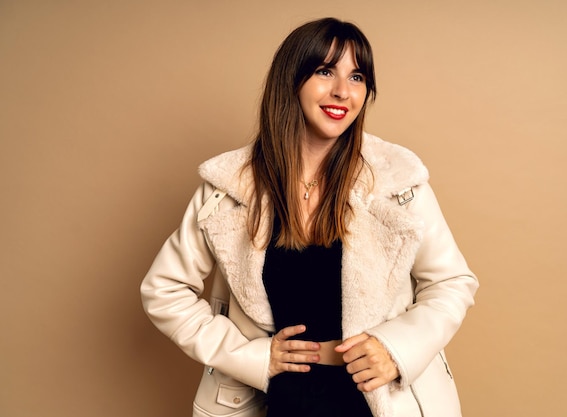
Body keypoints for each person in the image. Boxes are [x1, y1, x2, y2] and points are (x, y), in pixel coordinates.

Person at [141, 17, 478, 417]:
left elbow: (452, 282)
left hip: (381, 400)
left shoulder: (397, 179)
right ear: (291, 80)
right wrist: (251, 357)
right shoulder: (229, 187)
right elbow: (163, 290)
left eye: (357, 77)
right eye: (324, 72)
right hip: (280, 403)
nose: (342, 91)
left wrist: (396, 350)